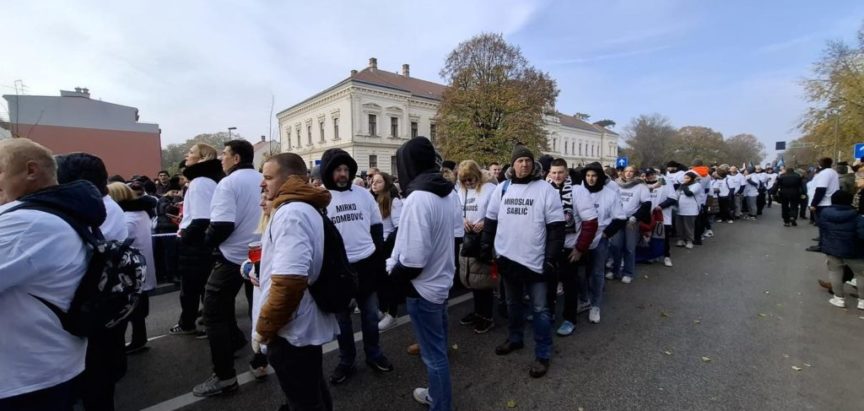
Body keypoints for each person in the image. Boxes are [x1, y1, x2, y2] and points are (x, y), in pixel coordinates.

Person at [0, 139, 105, 411]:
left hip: (25, 377)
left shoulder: (28, 222)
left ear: (31, 171)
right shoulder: (58, 213)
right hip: (46, 365)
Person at [252, 153, 339, 411]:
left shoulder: (291, 213)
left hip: (290, 328)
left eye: (268, 177)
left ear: (289, 179)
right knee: (311, 390)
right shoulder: (296, 208)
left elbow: (289, 282)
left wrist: (264, 328)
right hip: (295, 324)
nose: (262, 184)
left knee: (305, 400)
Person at [388, 136, 460, 410]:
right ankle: (437, 395)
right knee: (438, 350)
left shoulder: (418, 197)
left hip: (424, 288)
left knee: (434, 356)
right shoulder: (445, 191)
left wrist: (393, 279)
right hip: (440, 283)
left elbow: (414, 260)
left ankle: (441, 404)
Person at [482, 144, 565, 378]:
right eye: (520, 161)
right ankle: (515, 338)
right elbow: (491, 220)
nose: (524, 164)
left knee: (540, 309)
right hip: (508, 259)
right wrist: (487, 247)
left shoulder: (545, 190)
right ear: (513, 164)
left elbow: (557, 230)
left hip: (535, 262)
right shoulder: (503, 188)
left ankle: (543, 353)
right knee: (513, 305)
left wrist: (550, 258)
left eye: (528, 160)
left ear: (534, 164)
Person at [55, 152, 129, 411]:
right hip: (97, 307)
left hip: (96, 308)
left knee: (98, 385)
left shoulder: (99, 210)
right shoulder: (98, 207)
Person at [193, 140, 263, 397]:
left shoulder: (228, 183)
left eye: (224, 154)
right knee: (258, 310)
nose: (221, 159)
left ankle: (224, 377)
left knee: (214, 315)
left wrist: (207, 241)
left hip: (233, 259)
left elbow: (221, 225)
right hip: (259, 255)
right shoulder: (261, 178)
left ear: (235, 158)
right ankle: (260, 361)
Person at [319, 148, 394, 385]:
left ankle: (374, 354)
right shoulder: (320, 198)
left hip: (366, 264)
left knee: (370, 316)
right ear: (329, 172)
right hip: (338, 269)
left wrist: (377, 257)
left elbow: (376, 228)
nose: (342, 174)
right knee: (342, 321)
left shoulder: (363, 195)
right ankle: (346, 360)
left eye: (345, 170)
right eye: (337, 170)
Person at [171, 144, 224, 335]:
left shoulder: (200, 182)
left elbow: (202, 219)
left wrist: (184, 236)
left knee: (191, 289)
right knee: (201, 288)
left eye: (191, 153)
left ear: (201, 158)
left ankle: (191, 323)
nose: (187, 155)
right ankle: (204, 322)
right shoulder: (206, 180)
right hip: (200, 243)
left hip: (195, 245)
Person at [547, 159, 598, 336]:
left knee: (570, 286)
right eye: (553, 172)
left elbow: (590, 222)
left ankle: (570, 319)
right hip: (550, 247)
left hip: (570, 248)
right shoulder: (545, 189)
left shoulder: (578, 191)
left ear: (567, 173)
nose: (557, 176)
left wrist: (580, 248)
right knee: (549, 284)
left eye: (560, 172)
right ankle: (548, 313)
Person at [106, 182, 157, 354]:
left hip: (130, 269)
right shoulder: (141, 213)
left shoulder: (128, 218)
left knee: (130, 309)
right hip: (141, 266)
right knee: (138, 307)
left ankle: (135, 341)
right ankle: (139, 339)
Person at [455, 160, 498, 334]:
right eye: (465, 180)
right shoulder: (460, 191)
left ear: (477, 176)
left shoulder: (490, 189)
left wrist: (486, 222)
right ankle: (478, 311)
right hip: (467, 240)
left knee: (483, 280)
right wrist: (462, 219)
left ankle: (486, 316)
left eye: (471, 179)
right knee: (472, 279)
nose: (469, 183)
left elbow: (497, 211)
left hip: (483, 239)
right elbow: (456, 210)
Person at [581, 162, 626, 324]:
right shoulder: (578, 191)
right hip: (580, 240)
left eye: (594, 176)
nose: (590, 179)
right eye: (587, 176)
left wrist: (606, 234)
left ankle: (595, 305)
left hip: (600, 239)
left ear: (599, 177)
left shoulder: (610, 194)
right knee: (581, 273)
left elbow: (620, 218)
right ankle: (584, 299)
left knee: (597, 273)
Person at [818, 191, 864, 310]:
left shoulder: (824, 213)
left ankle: (838, 298)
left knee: (835, 273)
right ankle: (862, 301)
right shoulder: (856, 216)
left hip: (832, 248)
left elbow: (822, 229)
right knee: (861, 275)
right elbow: (862, 234)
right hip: (854, 251)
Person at [371, 172, 403, 331]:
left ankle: (392, 314)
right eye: (373, 181)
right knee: (380, 282)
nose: (374, 184)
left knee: (389, 283)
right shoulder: (376, 199)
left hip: (387, 247)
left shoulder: (393, 200)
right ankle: (383, 309)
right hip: (377, 246)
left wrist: (385, 245)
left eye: (378, 182)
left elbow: (399, 227)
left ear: (387, 183)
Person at [608, 165, 651, 283]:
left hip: (631, 221)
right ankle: (615, 270)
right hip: (617, 220)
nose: (628, 173)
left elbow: (646, 204)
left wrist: (636, 217)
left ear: (635, 173)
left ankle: (628, 272)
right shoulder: (615, 184)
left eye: (631, 171)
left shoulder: (641, 186)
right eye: (626, 171)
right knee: (615, 246)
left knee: (629, 248)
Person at [808, 157, 841, 252]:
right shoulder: (832, 172)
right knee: (824, 226)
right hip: (829, 202)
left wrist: (814, 204)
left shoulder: (825, 173)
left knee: (823, 225)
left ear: (821, 164)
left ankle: (822, 245)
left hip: (824, 203)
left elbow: (821, 190)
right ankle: (823, 242)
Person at [674, 172, 701, 249]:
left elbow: (689, 193)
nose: (685, 179)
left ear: (692, 178)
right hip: (680, 209)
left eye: (687, 178)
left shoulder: (697, 185)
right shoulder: (681, 186)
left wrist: (684, 185)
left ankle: (689, 241)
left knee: (689, 226)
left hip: (690, 210)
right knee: (679, 226)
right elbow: (676, 195)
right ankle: (680, 239)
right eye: (684, 178)